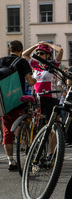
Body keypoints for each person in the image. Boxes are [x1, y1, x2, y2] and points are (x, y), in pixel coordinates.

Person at [1, 40, 36, 171]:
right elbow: (30, 82)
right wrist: (35, 80)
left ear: (9, 50)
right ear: (21, 50)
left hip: (5, 103)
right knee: (25, 125)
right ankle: (28, 154)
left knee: (6, 133)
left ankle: (11, 162)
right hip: (18, 101)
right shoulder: (22, 62)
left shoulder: (1, 61)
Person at [23, 41, 64, 120]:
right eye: (37, 53)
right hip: (38, 98)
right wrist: (36, 45)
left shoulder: (53, 65)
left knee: (49, 124)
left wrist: (47, 44)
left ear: (48, 55)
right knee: (38, 124)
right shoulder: (36, 65)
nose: (38, 55)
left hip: (50, 98)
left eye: (41, 53)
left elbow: (60, 50)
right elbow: (24, 54)